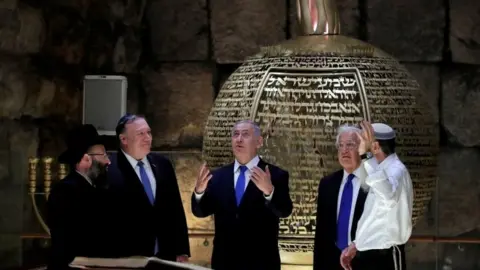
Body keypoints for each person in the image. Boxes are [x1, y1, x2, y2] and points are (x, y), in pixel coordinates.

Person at [191, 120, 293, 270]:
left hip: (261, 262)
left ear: (259, 142)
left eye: (245, 135)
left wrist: (269, 191)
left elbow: (285, 210)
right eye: (235, 134)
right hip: (224, 262)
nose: (239, 139)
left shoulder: (275, 175)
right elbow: (200, 211)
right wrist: (199, 192)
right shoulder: (218, 177)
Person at [107, 114, 190, 262]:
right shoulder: (110, 169)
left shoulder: (163, 164)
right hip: (128, 256)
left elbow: (175, 208)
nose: (148, 138)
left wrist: (182, 249)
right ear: (123, 139)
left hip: (166, 254)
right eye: (140, 133)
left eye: (149, 132)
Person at [340, 121, 412, 270]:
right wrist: (357, 244)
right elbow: (375, 216)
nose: (357, 148)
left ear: (375, 147)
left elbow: (389, 198)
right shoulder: (379, 170)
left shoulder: (396, 171)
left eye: (360, 143)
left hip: (384, 258)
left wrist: (365, 156)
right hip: (368, 256)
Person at [46, 124, 112, 270]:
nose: (108, 161)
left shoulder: (97, 190)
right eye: (104, 155)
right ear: (85, 160)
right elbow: (70, 244)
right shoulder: (65, 192)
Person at [313, 125, 368, 270]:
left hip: (364, 262)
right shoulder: (327, 184)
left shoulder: (373, 182)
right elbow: (321, 235)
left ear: (362, 149)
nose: (344, 150)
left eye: (350, 145)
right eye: (341, 145)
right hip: (331, 262)